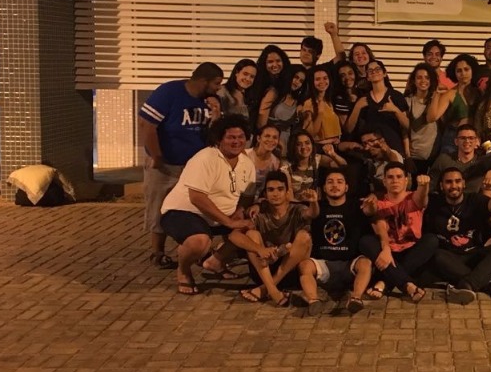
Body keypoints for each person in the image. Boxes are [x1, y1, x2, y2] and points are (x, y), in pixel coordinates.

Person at [159, 114, 256, 296]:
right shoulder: (205, 158)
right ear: (219, 139)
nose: (237, 141)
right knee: (199, 241)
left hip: (221, 217)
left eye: (241, 137)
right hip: (184, 212)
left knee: (254, 226)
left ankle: (216, 261)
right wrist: (229, 222)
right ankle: (183, 270)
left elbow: (247, 195)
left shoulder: (247, 163)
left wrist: (239, 212)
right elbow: (197, 197)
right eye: (231, 137)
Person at [139, 62, 224, 268]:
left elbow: (214, 134)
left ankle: (198, 250)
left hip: (194, 165)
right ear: (203, 81)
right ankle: (158, 253)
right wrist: (157, 156)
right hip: (166, 165)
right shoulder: (169, 92)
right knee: (159, 205)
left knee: (195, 207)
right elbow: (147, 124)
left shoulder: (209, 102)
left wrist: (216, 115)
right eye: (216, 83)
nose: (218, 88)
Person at [230, 170, 316, 308]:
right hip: (264, 270)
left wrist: (314, 203)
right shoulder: (259, 213)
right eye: (271, 190)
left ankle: (267, 289)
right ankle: (273, 290)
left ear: (287, 192)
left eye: (280, 189)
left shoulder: (297, 210)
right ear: (265, 194)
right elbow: (233, 236)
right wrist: (260, 249)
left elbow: (312, 213)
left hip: (290, 270)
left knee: (304, 236)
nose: (275, 194)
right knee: (251, 234)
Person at [425, 167, 491, 304]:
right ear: (441, 185)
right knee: (437, 255)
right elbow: (419, 201)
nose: (454, 186)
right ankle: (486, 283)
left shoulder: (474, 200)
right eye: (449, 182)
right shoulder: (434, 201)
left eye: (457, 181)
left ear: (464, 183)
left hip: (474, 254)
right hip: (450, 258)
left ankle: (467, 284)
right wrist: (423, 186)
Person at [299, 169, 376, 315]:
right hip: (324, 264)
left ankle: (356, 298)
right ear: (324, 188)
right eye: (330, 182)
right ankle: (313, 301)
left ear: (346, 187)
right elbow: (312, 214)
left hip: (350, 263)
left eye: (339, 182)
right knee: (305, 265)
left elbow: (370, 211)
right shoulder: (317, 206)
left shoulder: (356, 205)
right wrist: (313, 202)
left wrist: (372, 204)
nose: (335, 185)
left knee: (365, 263)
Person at [359, 163, 435, 302]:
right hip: (387, 253)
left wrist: (424, 185)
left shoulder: (413, 197)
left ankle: (384, 283)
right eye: (390, 177)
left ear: (406, 180)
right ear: (384, 181)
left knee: (431, 240)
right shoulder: (378, 201)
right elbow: (370, 212)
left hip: (410, 252)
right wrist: (386, 248)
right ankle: (408, 285)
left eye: (399, 177)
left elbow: (422, 199)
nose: (395, 180)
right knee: (366, 241)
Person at [345, 59, 409, 156]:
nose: (374, 72)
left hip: (394, 148)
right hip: (371, 150)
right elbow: (349, 129)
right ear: (367, 77)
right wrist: (357, 107)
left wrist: (395, 110)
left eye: (378, 69)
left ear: (384, 73)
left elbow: (407, 126)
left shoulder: (396, 96)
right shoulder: (363, 99)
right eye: (370, 71)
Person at [428, 125, 491, 193]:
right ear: (456, 141)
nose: (467, 141)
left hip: (473, 201)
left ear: (476, 142)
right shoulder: (444, 159)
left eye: (471, 138)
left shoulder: (481, 161)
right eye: (463, 138)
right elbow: (431, 185)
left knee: (488, 190)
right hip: (448, 200)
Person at [258, 63, 308, 152]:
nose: (297, 82)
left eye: (301, 81)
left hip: (287, 143)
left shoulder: (297, 102)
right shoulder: (273, 93)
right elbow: (261, 124)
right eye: (296, 77)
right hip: (269, 141)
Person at [403, 63, 441, 175]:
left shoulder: (438, 99)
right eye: (419, 77)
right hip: (415, 156)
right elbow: (404, 129)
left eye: (427, 77)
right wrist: (407, 155)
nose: (423, 81)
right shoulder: (407, 101)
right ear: (414, 81)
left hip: (435, 155)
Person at [299, 64, 341, 146]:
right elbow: (310, 135)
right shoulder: (309, 103)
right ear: (312, 82)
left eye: (325, 78)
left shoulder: (329, 101)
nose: (322, 82)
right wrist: (320, 113)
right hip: (320, 148)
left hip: (333, 146)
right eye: (318, 79)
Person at [246, 124, 283, 196]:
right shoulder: (246, 155)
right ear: (258, 138)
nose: (271, 140)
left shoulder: (276, 163)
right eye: (267, 136)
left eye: (275, 137)